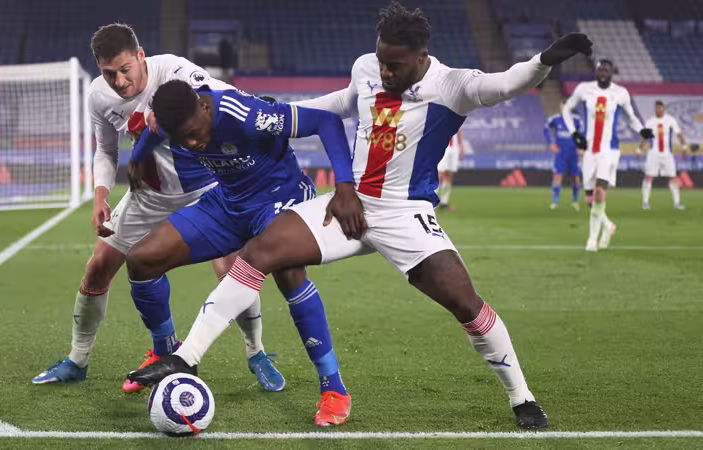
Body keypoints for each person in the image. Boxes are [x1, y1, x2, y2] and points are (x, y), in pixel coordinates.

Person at [128, 2, 594, 429]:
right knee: (260, 250)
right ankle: (187, 357)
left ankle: (521, 397)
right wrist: (283, 113)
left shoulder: (454, 86)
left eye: (395, 65)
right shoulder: (368, 68)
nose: (384, 71)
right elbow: (342, 104)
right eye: (381, 60)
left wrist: (544, 60)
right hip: (349, 205)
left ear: (421, 56)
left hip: (406, 213)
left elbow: (507, 83)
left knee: (466, 305)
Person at [32, 23, 284, 394]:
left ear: (140, 56)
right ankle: (80, 359)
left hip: (205, 190)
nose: (119, 81)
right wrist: (100, 195)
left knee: (232, 270)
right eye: (109, 73)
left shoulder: (175, 70)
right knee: (98, 267)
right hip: (148, 195)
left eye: (125, 69)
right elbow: (106, 150)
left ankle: (256, 352)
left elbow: (222, 95)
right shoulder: (99, 96)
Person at [124, 78, 363, 426]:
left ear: (204, 107)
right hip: (229, 203)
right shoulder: (173, 120)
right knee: (141, 259)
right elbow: (155, 130)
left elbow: (325, 121)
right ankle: (165, 352)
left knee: (288, 273)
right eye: (182, 138)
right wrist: (137, 158)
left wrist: (345, 186)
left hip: (280, 197)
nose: (192, 143)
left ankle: (334, 388)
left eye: (194, 133)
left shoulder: (246, 114)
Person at [562, 59, 653, 252]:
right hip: (590, 150)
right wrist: (574, 133)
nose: (603, 72)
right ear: (596, 71)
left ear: (612, 72)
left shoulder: (620, 93)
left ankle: (592, 241)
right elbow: (566, 109)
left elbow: (631, 118)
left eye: (606, 70)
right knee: (590, 199)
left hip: (609, 150)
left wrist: (642, 130)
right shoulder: (584, 89)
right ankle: (607, 226)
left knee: (599, 193)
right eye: (600, 69)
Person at [640, 100, 688, 210]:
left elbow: (679, 134)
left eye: (660, 108)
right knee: (648, 177)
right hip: (653, 154)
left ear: (663, 108)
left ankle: (677, 203)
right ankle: (645, 202)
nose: (658, 110)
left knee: (673, 177)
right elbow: (645, 138)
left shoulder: (670, 120)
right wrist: (639, 150)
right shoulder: (650, 122)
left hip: (667, 154)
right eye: (656, 108)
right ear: (654, 109)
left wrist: (684, 147)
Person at [544, 100, 583, 210]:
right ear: (560, 107)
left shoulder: (576, 120)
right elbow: (546, 129)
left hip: (573, 153)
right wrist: (550, 143)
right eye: (563, 106)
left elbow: (583, 133)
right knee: (557, 175)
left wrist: (581, 146)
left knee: (575, 177)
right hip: (561, 153)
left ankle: (575, 201)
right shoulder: (555, 119)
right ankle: (555, 201)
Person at [436, 128, 464, 211]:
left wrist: (461, 145)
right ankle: (432, 201)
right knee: (439, 173)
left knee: (449, 174)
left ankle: (444, 202)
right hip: (442, 144)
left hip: (454, 147)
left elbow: (460, 129)